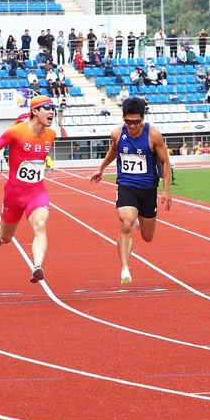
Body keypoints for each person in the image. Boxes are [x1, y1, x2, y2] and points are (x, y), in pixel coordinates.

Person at [89, 98, 173, 284]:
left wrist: (166, 190)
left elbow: (165, 162)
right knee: (126, 225)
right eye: (128, 122)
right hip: (126, 186)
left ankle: (137, 222)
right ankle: (124, 269)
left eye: (136, 122)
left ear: (142, 119)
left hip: (148, 189)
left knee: (147, 236)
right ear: (123, 119)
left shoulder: (153, 135)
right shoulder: (118, 134)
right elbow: (113, 150)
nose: (132, 126)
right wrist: (101, 168)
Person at [0, 95, 57, 283]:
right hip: (14, 194)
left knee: (40, 225)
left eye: (53, 108)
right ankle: (0, 232)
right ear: (34, 111)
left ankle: (37, 267)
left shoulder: (51, 135)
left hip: (37, 192)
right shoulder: (16, 131)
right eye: (46, 108)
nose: (51, 112)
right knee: (7, 237)